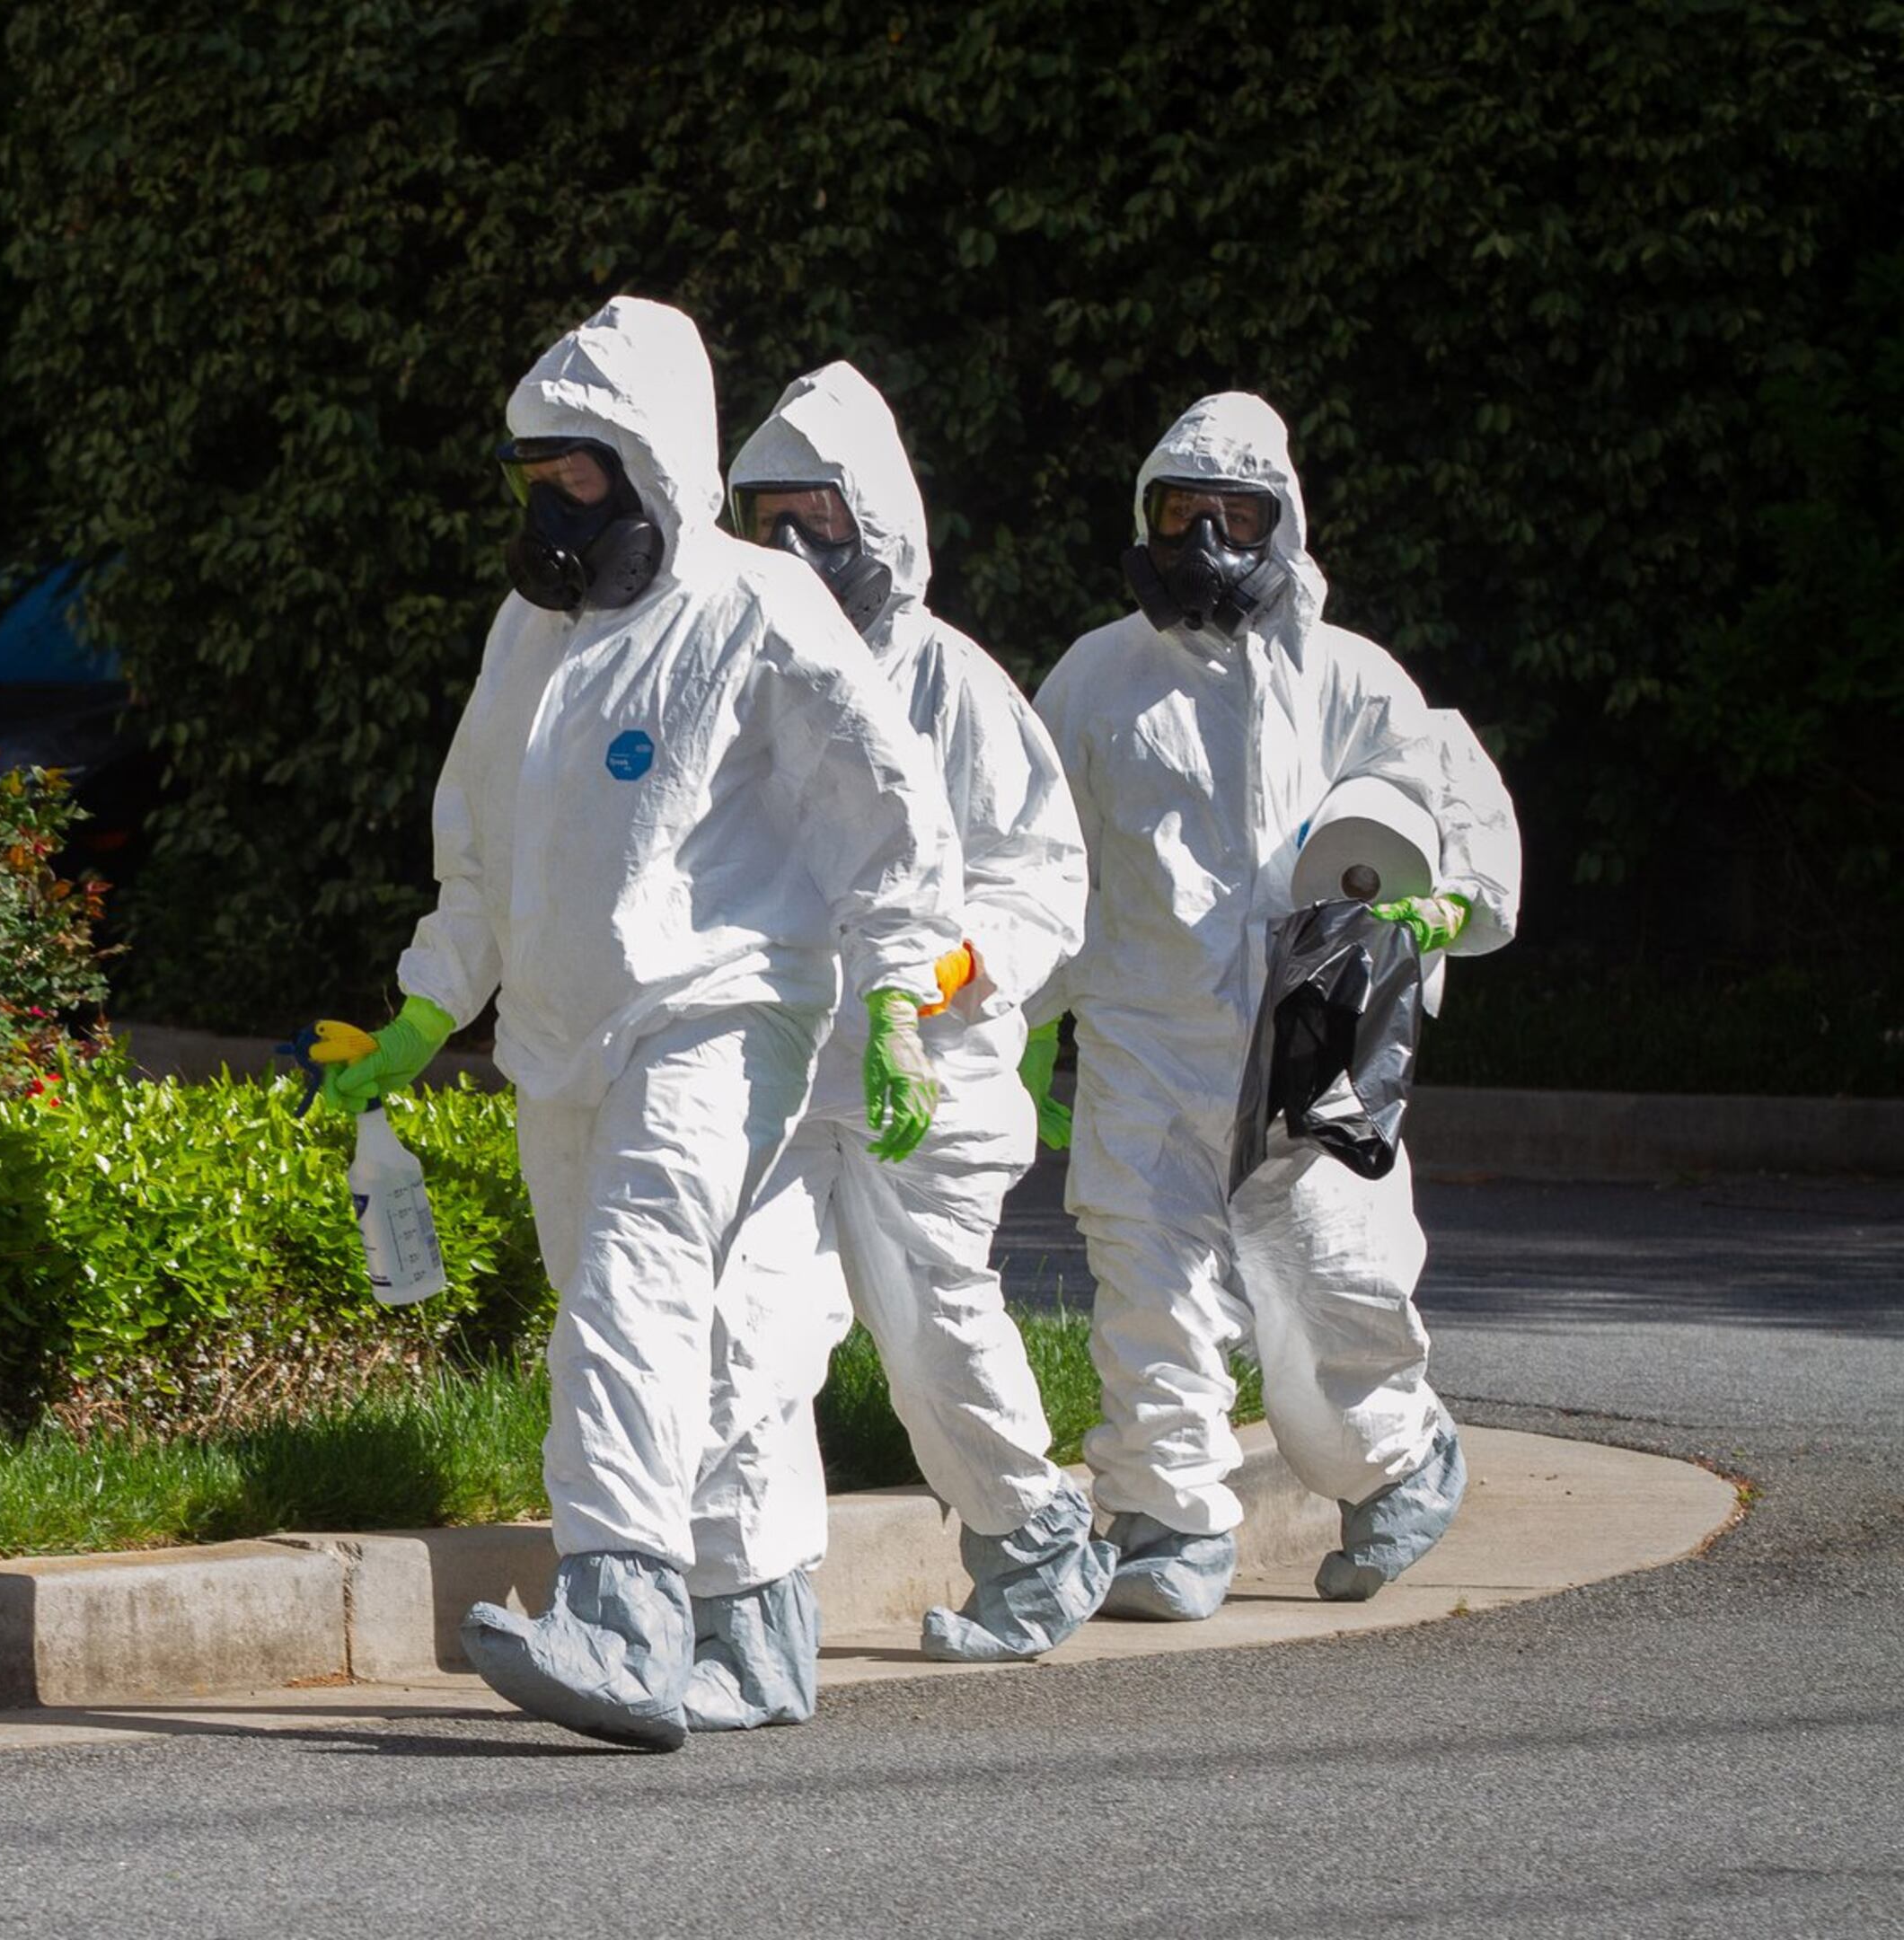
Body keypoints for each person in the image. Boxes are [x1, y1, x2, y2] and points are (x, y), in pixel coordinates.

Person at [305, 296, 965, 1750]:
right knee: (697, 1328)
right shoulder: (527, 633)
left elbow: (890, 822)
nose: (553, 505)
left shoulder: (758, 609)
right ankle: (755, 1635)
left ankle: (617, 1609)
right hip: (562, 1032)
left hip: (729, 1010)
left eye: (582, 474)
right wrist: (425, 1013)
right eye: (535, 475)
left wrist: (907, 1004)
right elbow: (481, 842)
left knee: (632, 1292)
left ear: (654, 460)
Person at [1029, 392, 1520, 1622]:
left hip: (1322, 1024)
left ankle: (1400, 1460)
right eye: (1178, 511)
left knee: (1333, 1279)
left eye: (1233, 515)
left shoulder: (1351, 681)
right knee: (1147, 1281)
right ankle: (1168, 1521)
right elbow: (1036, 856)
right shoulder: (1095, 679)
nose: (1202, 538)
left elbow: (1443, 814)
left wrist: (1437, 910)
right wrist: (1032, 1022)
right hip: (1146, 1035)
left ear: (1282, 527)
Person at [718, 361, 1107, 1666]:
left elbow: (1042, 872)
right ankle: (753, 1601)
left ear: (877, 519)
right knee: (758, 1327)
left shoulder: (952, 684)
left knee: (932, 1321)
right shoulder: (738, 663)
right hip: (782, 1064)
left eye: (817, 514)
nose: (789, 544)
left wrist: (945, 970)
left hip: (927, 1074)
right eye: (765, 513)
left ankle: (1036, 1536)